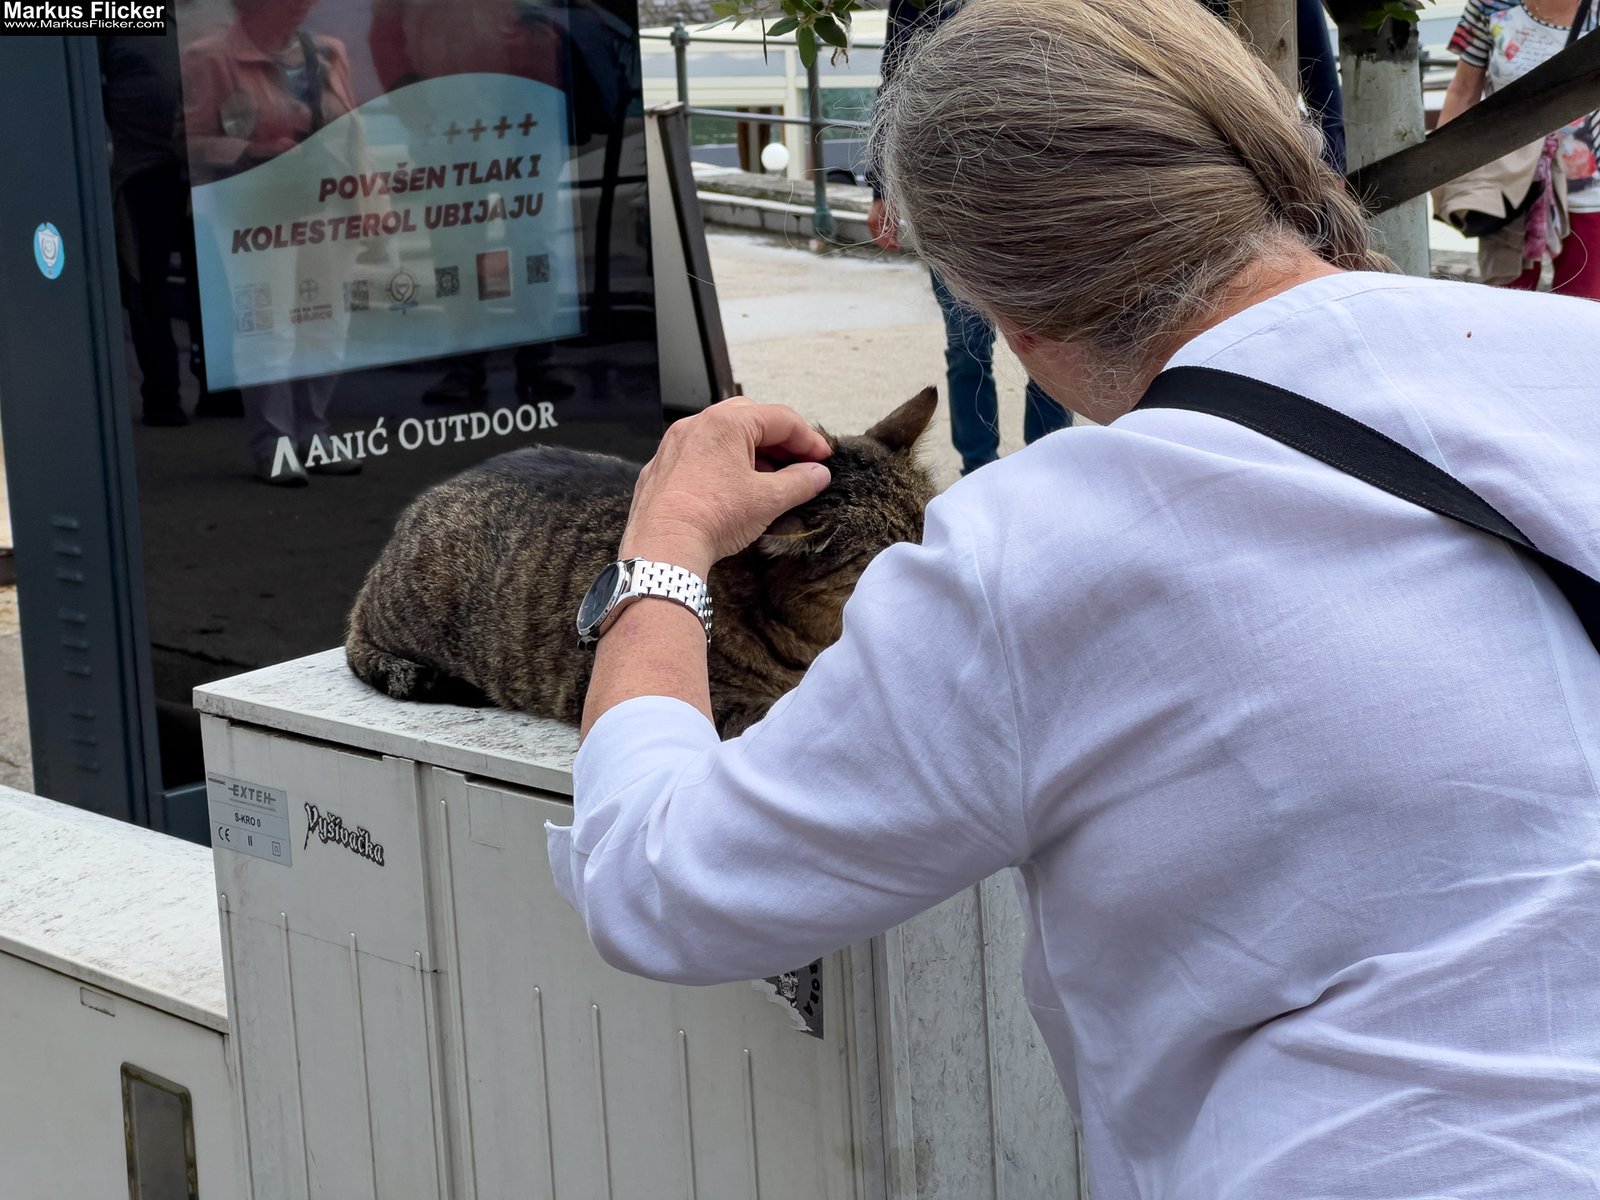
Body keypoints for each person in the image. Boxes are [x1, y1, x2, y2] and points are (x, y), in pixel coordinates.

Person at [548, 0, 1600, 1196]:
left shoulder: (1038, 551)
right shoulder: (1573, 354)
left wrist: (665, 542)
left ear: (1012, 316)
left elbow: (657, 884)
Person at [867, 0, 1072, 475]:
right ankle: (978, 472)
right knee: (966, 345)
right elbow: (896, 82)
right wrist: (882, 190)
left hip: (1042, 187)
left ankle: (1051, 469)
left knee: (1052, 338)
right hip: (948, 191)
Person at [1439, 0, 1600, 296]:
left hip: (1592, 187)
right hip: (1509, 180)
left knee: (1588, 312)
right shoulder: (1489, 5)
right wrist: (1441, 175)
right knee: (1505, 303)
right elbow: (1463, 92)